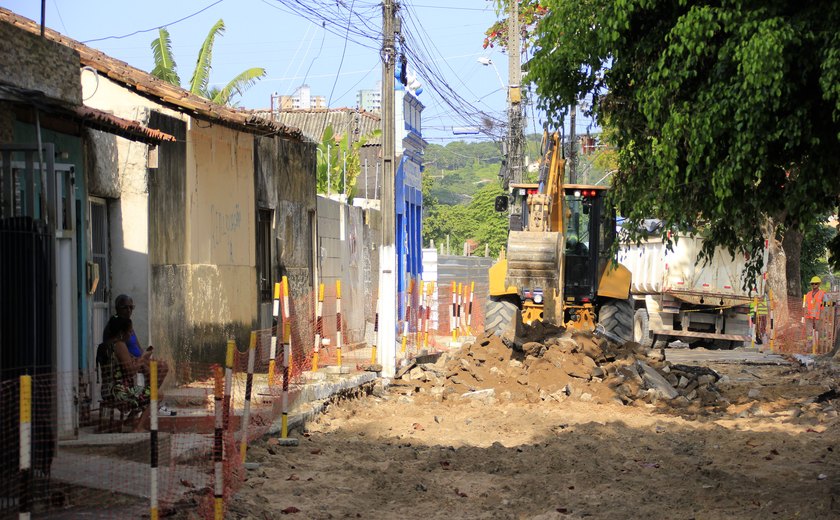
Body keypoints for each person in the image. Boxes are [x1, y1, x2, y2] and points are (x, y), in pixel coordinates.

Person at [97, 316, 151, 431]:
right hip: (119, 392)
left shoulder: (103, 346)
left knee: (145, 388)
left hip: (106, 390)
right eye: (130, 331)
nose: (131, 334)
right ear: (121, 333)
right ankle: (138, 427)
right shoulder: (119, 345)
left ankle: (130, 421)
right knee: (157, 394)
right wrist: (142, 359)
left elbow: (117, 367)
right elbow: (130, 370)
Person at [803, 276, 828, 343]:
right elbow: (805, 304)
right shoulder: (808, 294)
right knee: (809, 332)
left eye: (816, 283)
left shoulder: (823, 294)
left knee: (820, 330)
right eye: (812, 283)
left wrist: (824, 314)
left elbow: (826, 306)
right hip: (809, 316)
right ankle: (810, 344)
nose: (814, 285)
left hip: (818, 316)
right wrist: (805, 313)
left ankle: (821, 344)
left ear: (819, 284)